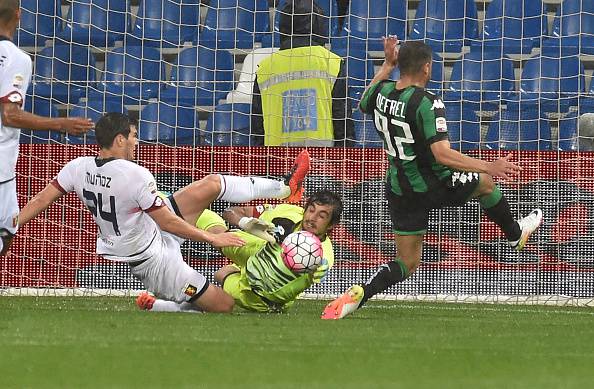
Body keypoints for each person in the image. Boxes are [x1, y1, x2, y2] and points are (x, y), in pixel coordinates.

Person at [321, 37, 543, 320]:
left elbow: (364, 103)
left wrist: (386, 66)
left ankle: (362, 293)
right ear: (427, 68)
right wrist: (488, 165)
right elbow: (442, 154)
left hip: (399, 188)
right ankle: (515, 235)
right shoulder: (428, 103)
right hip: (434, 182)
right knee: (487, 184)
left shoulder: (381, 92)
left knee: (407, 262)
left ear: (400, 64)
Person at [17, 112, 310, 313]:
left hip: (149, 230)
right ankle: (163, 305)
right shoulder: (135, 174)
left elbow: (42, 199)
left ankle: (284, 188)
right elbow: (168, 220)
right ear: (119, 139)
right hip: (153, 260)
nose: (136, 141)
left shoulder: (77, 167)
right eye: (132, 136)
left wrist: (12, 225)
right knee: (224, 306)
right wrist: (213, 241)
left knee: (210, 184)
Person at [136, 189, 343, 313]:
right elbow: (230, 212)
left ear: (331, 225)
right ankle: (163, 202)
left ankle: (163, 304)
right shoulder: (288, 214)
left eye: (322, 215)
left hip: (259, 296)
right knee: (212, 225)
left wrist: (308, 266)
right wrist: (248, 223)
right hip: (258, 252)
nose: (312, 218)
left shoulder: (322, 257)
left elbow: (297, 282)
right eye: (311, 210)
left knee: (218, 284)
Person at [0, 0, 93, 256]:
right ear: (18, 15)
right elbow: (9, 115)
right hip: (0, 166)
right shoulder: (16, 58)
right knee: (7, 228)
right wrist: (62, 123)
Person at [251, 0, 354, 147]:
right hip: (321, 162)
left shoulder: (265, 69)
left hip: (276, 162)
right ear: (319, 25)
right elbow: (342, 122)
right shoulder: (331, 62)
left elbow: (257, 129)